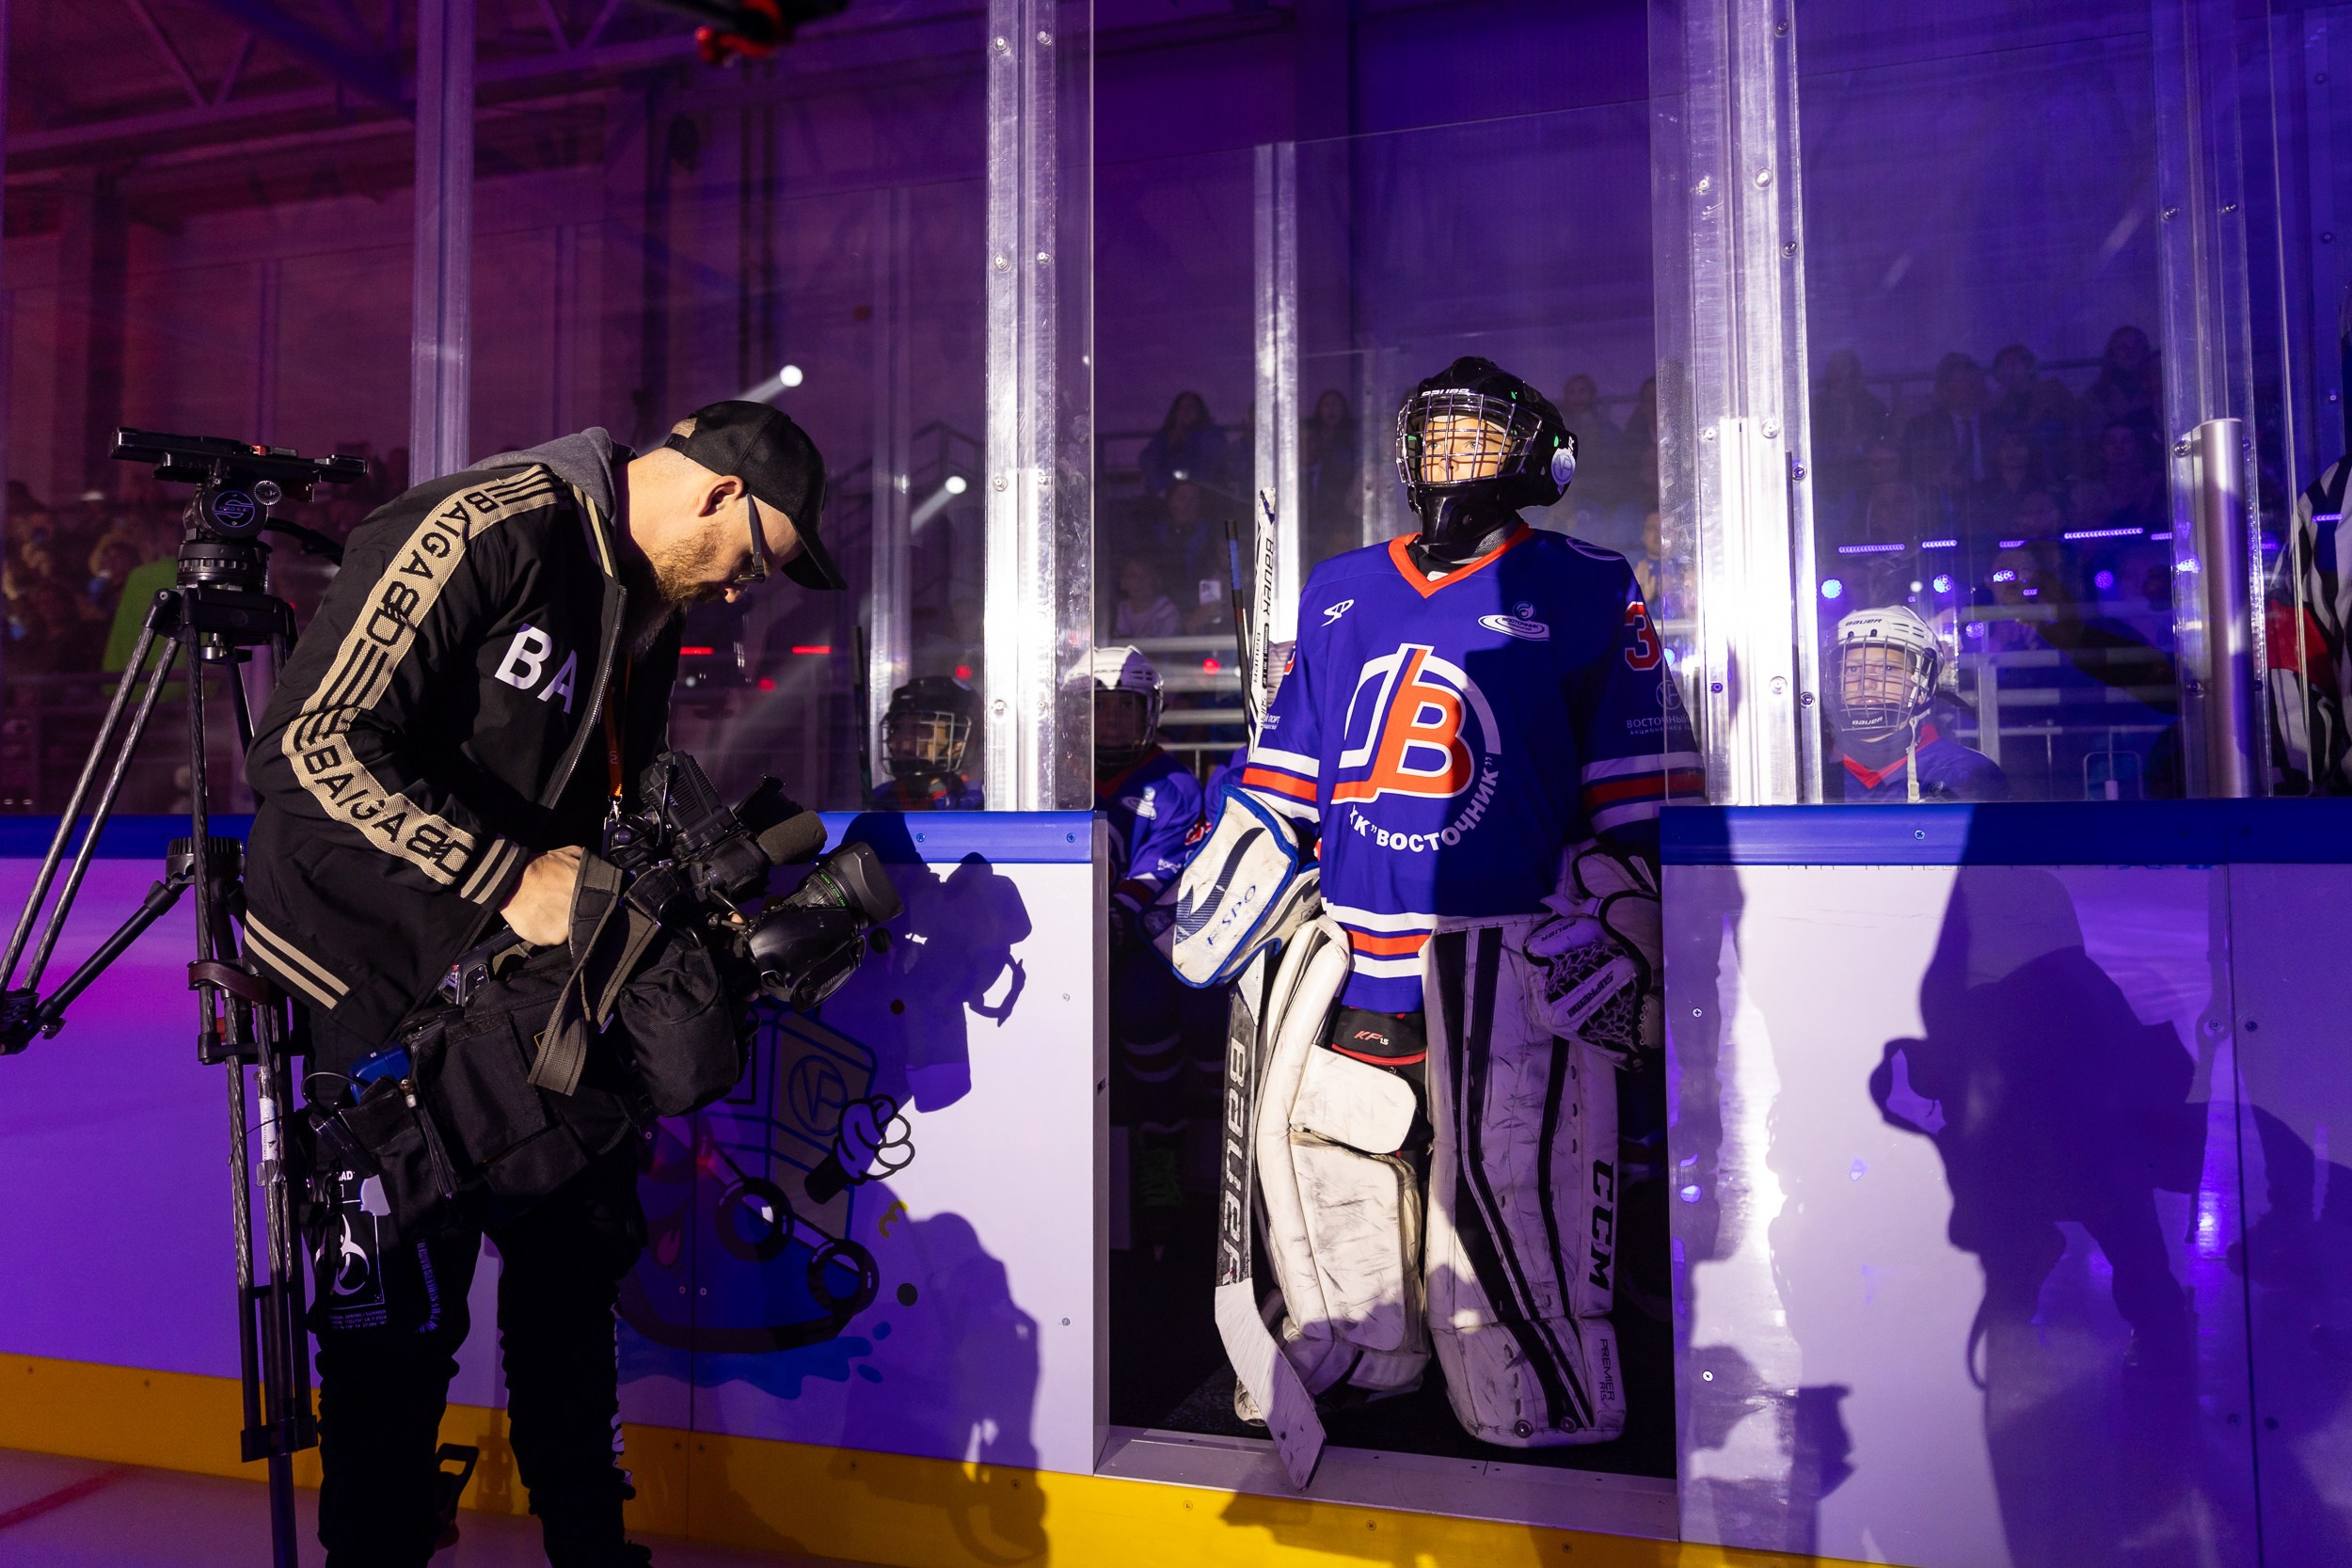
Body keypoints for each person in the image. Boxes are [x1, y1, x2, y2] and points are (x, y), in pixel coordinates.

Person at [242, 400, 840, 1568]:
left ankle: (590, 1547)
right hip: (374, 985)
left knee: (574, 1277)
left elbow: (594, 804)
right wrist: (501, 872)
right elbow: (309, 744)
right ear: (717, 492)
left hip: (537, 998)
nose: (741, 588)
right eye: (755, 558)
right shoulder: (487, 521)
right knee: (393, 1329)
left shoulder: (648, 604)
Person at [1214, 356, 1696, 1446]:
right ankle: (1367, 1353)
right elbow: (1282, 786)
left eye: (1478, 437)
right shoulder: (1337, 588)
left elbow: (1642, 806)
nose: (1450, 456)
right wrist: (1226, 880)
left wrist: (1637, 922)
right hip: (1362, 965)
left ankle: (1541, 1380)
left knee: (1514, 1188)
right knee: (1338, 1177)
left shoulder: (1586, 583)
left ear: (1533, 457)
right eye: (1436, 435)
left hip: (1513, 965)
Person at [1092, 643, 1209, 1249]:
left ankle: (1165, 1152)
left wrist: (1111, 918)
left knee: (1142, 1005)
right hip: (1071, 943)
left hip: (1139, 944)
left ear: (1151, 712)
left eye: (1124, 708)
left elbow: (1153, 874)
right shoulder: (1055, 770)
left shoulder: (1174, 784)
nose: (1111, 721)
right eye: (1100, 708)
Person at [1824, 606, 2008, 802]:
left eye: (1887, 668)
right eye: (1852, 669)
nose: (1866, 682)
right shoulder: (1811, 770)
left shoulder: (1964, 771)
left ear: (1922, 683)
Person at [871, 674, 984, 810]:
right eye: (897, 728)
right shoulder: (880, 800)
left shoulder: (976, 800)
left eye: (919, 728)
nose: (903, 738)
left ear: (957, 744)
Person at [1136, 390, 1232, 498]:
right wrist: (1171, 439)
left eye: (1191, 407)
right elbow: (1146, 462)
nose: (1186, 411)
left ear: (1199, 411)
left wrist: (1188, 436)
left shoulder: (1213, 434)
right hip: (1167, 495)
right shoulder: (1164, 437)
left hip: (1203, 494)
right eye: (1181, 407)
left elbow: (1212, 463)